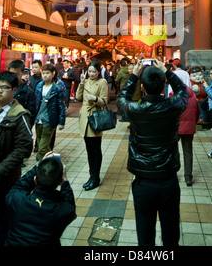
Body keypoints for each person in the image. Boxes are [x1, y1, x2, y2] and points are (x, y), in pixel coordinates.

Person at [117, 59, 188, 247]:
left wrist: (133, 76)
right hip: (168, 180)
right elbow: (183, 91)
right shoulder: (173, 107)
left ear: (143, 88)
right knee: (171, 233)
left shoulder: (135, 109)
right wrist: (168, 72)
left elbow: (121, 98)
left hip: (143, 181)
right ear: (164, 85)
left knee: (145, 233)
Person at [0, 71, 33, 246]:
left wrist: (2, 169)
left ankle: (4, 237)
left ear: (14, 90)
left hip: (1, 179)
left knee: (0, 219)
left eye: (5, 87)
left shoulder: (19, 115)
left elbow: (24, 148)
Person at [5, 153, 76, 246]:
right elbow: (70, 206)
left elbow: (20, 185)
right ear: (60, 182)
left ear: (35, 180)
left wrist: (38, 167)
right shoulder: (62, 211)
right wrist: (65, 181)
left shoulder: (17, 200)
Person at [75, 60, 108, 191]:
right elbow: (78, 97)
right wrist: (81, 83)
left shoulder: (102, 82)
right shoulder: (86, 81)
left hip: (95, 117)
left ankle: (95, 177)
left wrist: (94, 99)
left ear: (99, 72)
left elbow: (104, 101)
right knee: (89, 150)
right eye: (90, 71)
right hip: (84, 117)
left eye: (94, 71)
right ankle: (91, 175)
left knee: (95, 149)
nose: (92, 74)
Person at [34, 64, 66, 160]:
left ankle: (42, 168)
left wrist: (61, 122)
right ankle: (52, 163)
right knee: (42, 145)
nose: (45, 75)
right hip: (38, 120)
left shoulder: (57, 88)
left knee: (42, 148)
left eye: (47, 73)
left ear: (53, 74)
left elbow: (61, 106)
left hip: (49, 120)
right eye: (43, 73)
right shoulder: (39, 87)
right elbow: (35, 103)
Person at [177, 86, 200, 186]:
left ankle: (173, 174)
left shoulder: (175, 99)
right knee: (188, 151)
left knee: (173, 151)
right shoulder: (193, 99)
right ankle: (188, 177)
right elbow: (197, 113)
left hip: (176, 129)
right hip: (189, 129)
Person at [8, 60, 36, 126]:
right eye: (12, 74)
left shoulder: (28, 91)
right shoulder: (5, 88)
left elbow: (31, 114)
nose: (14, 77)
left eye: (17, 74)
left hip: (19, 126)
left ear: (22, 73)